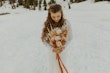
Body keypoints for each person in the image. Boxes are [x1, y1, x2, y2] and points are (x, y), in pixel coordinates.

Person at [41, 4, 72, 73]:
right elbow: (44, 40)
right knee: (52, 68)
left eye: (58, 16)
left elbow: (70, 37)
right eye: (53, 17)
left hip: (62, 51)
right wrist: (52, 49)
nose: (56, 19)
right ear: (50, 15)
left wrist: (63, 47)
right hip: (52, 52)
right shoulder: (47, 24)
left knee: (61, 68)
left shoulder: (66, 23)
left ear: (61, 13)